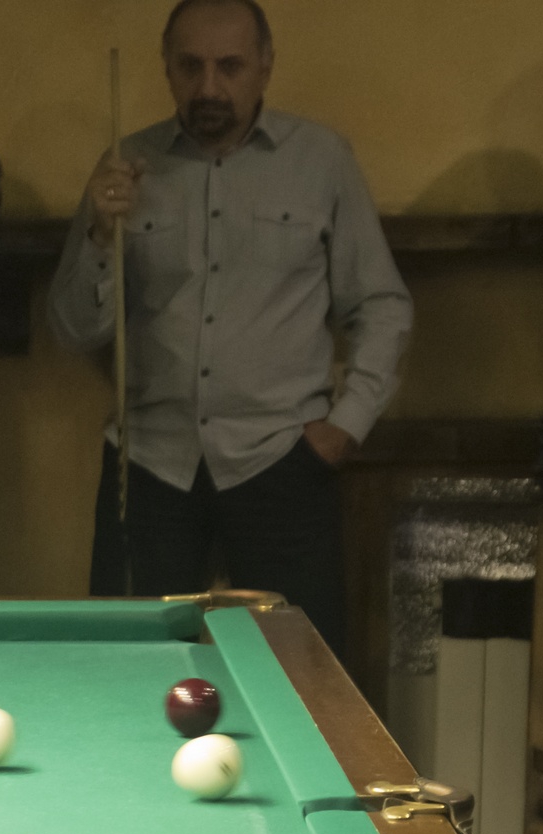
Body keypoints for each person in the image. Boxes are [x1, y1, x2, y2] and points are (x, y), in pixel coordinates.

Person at [49, 0, 412, 658]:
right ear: (167, 67)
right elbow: (75, 328)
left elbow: (381, 304)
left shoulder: (320, 160)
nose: (208, 86)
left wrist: (343, 427)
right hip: (150, 463)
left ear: (265, 66)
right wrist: (102, 236)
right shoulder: (125, 166)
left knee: (302, 672)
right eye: (190, 66)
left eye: (230, 67)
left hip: (282, 460)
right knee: (128, 666)